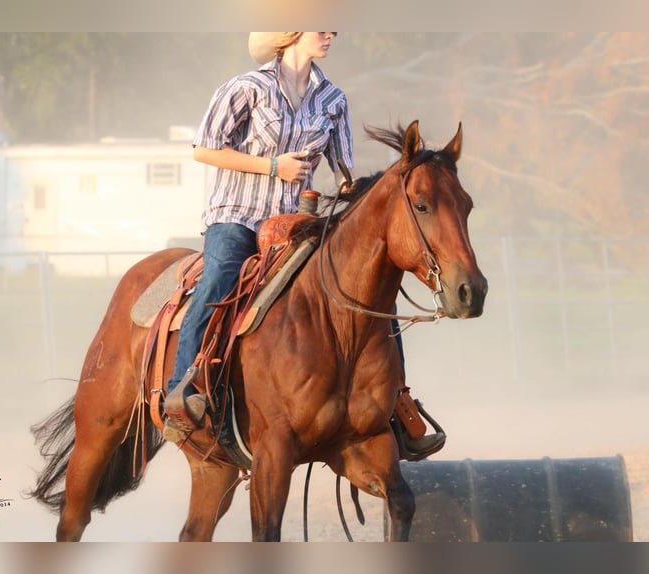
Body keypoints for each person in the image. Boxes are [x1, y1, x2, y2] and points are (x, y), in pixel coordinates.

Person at [163, 32, 444, 459]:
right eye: (320, 26)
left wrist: (360, 199)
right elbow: (204, 151)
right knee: (219, 277)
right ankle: (183, 389)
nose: (330, 33)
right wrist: (273, 166)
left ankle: (398, 403)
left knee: (369, 292)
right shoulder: (246, 89)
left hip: (299, 223)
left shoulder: (333, 98)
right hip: (237, 215)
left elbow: (344, 171)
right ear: (291, 32)